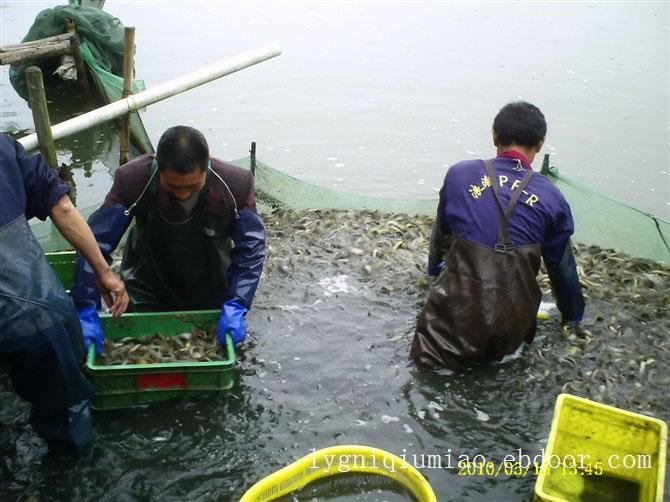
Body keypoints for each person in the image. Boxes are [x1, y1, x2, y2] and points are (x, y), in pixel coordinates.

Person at [411, 101, 584, 369]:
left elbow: (442, 237)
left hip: (444, 335)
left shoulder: (460, 175)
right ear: (539, 144)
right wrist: (573, 319)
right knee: (497, 372)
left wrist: (434, 273)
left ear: (494, 135)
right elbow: (563, 272)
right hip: (508, 339)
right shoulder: (552, 198)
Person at [71, 125, 266, 353]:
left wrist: (238, 301)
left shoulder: (235, 183)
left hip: (211, 286)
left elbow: (251, 247)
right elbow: (95, 242)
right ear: (158, 165)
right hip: (147, 284)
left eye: (193, 186)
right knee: (143, 351)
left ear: (207, 164)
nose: (182, 193)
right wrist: (85, 305)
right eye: (172, 186)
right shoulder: (133, 179)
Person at [0, 133, 128, 458]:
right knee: (67, 409)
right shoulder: (4, 147)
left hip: (23, 318)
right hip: (38, 322)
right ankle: (71, 471)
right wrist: (103, 272)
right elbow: (62, 206)